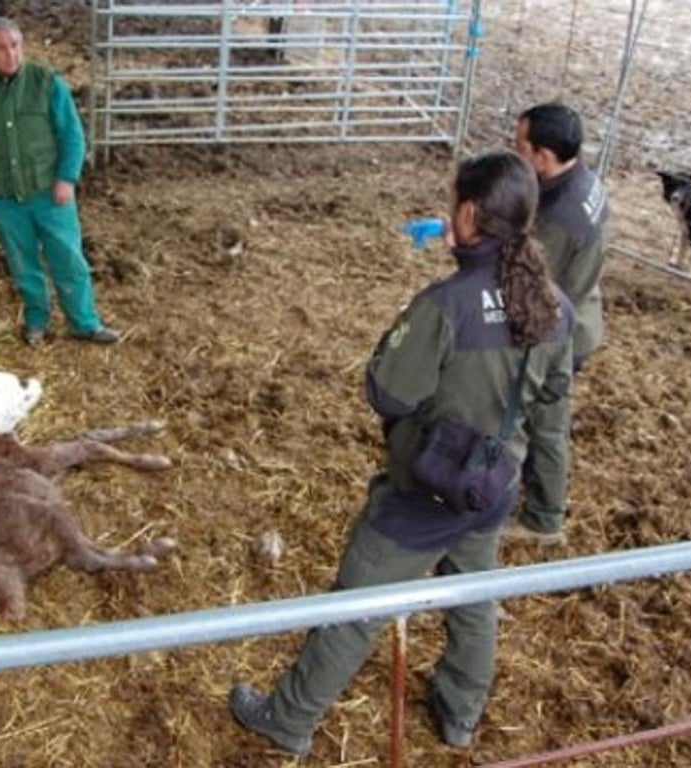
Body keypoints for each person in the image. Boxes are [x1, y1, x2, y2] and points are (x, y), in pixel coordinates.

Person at [228, 152, 575, 757]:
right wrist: (543, 500)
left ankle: (288, 718)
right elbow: (553, 398)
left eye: (453, 203)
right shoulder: (553, 305)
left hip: (427, 490)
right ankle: (460, 711)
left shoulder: (447, 305)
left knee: (358, 602)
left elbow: (387, 391)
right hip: (491, 487)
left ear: (468, 212)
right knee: (472, 598)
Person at [0, 17, 119, 347]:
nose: (11, 54)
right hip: (5, 198)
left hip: (50, 192)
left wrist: (67, 178)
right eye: (1, 48)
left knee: (68, 258)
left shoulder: (46, 84)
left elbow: (73, 136)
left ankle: (84, 322)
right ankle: (37, 321)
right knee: (23, 263)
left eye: (16, 45)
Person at [508, 103, 609, 544]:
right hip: (579, 311)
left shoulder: (561, 219)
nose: (516, 152)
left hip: (557, 329)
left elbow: (531, 285)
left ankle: (543, 518)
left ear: (544, 155)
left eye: (521, 146)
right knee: (542, 419)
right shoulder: (582, 180)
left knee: (543, 421)